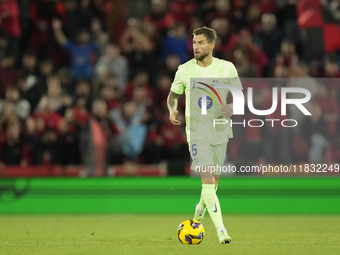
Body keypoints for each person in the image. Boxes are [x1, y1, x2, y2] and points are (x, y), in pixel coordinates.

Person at [167, 26, 242, 244]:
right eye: (194, 43)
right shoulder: (184, 70)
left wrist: (233, 106)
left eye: (201, 42)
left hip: (220, 131)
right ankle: (221, 231)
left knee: (212, 185)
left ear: (212, 45)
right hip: (197, 133)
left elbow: (239, 94)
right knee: (208, 182)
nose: (196, 47)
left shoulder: (227, 68)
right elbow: (172, 95)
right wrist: (172, 109)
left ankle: (198, 214)